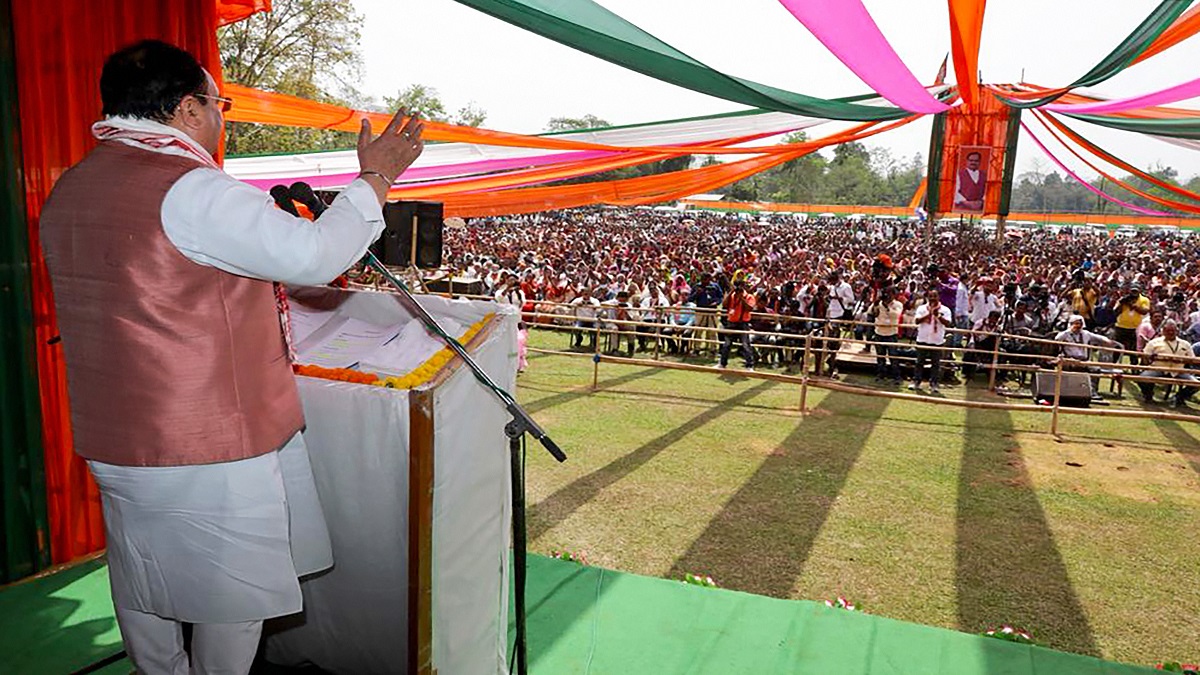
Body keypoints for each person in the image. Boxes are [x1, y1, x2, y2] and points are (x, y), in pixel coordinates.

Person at [39, 41, 425, 674]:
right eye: (219, 104)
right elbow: (317, 255)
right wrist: (376, 178)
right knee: (232, 597)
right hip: (203, 439)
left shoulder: (73, 185)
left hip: (115, 436)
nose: (222, 117)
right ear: (189, 108)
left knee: (145, 580)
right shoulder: (192, 190)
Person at [1053, 314, 1121, 399]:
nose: (1078, 326)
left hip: (1084, 361)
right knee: (1068, 367)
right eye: (1076, 323)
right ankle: (1067, 391)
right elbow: (1057, 339)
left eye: (1080, 324)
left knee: (1095, 369)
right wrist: (1070, 330)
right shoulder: (1065, 334)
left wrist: (1108, 341)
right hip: (1069, 360)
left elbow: (1100, 338)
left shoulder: (1086, 334)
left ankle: (1092, 392)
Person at [1137, 320, 1197, 407]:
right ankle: (1148, 395)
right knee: (1141, 378)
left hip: (1178, 370)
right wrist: (1150, 358)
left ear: (1177, 331)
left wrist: (1182, 360)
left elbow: (1192, 359)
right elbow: (1145, 357)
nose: (1170, 332)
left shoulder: (1185, 344)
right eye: (1168, 330)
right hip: (1158, 368)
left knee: (1196, 384)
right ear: (1163, 331)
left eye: (1173, 330)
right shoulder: (1154, 342)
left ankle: (1178, 397)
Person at [910, 288, 952, 393]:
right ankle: (916, 381)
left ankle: (934, 383)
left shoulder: (945, 310)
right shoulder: (922, 308)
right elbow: (917, 321)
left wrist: (937, 315)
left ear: (939, 297)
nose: (932, 298)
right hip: (922, 339)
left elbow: (948, 323)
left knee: (935, 364)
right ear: (927, 297)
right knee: (919, 362)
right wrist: (929, 314)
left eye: (935, 296)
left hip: (937, 340)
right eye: (930, 296)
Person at [718, 272, 756, 369]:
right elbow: (725, 305)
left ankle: (749, 365)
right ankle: (722, 364)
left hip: (743, 323)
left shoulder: (749, 296)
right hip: (731, 322)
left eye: (740, 286)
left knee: (745, 344)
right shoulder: (731, 295)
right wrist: (731, 292)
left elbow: (749, 308)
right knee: (727, 344)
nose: (739, 288)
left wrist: (742, 299)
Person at [869, 285, 903, 382]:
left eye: (890, 293)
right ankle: (881, 375)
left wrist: (886, 306)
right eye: (886, 293)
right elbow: (872, 313)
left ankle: (896, 376)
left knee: (893, 356)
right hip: (879, 332)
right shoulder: (879, 303)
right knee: (880, 356)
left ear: (894, 294)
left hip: (892, 334)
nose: (887, 295)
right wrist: (875, 305)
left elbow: (896, 315)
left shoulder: (898, 304)